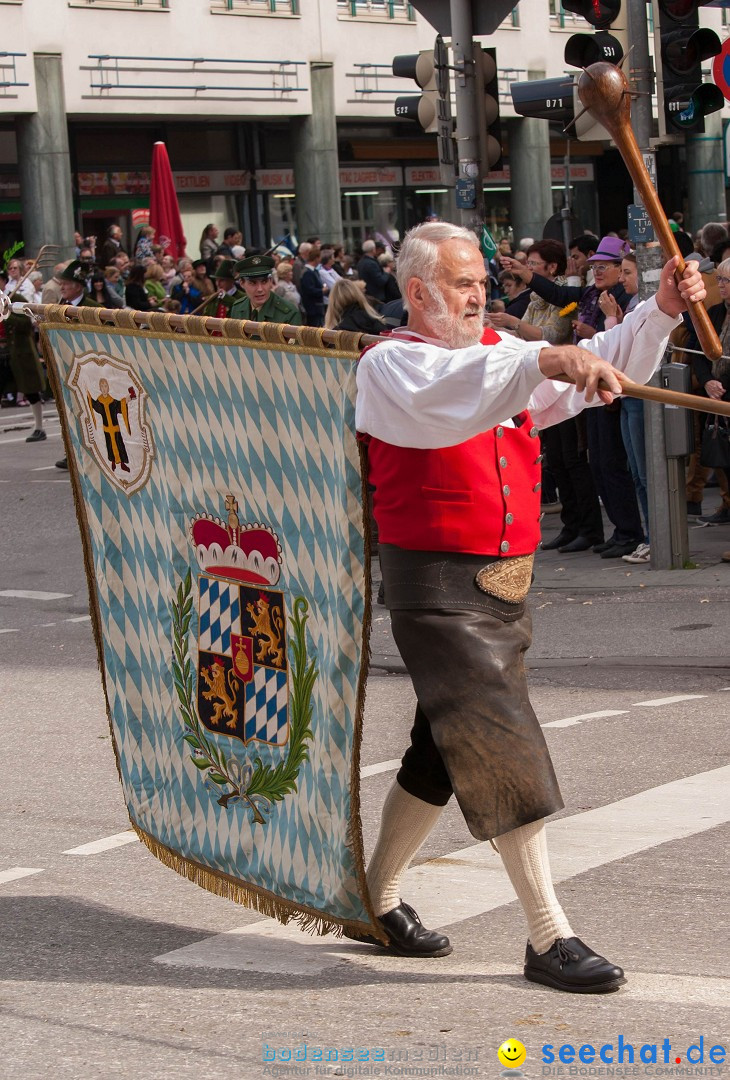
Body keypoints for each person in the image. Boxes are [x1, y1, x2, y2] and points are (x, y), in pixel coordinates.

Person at [354, 221, 704, 992]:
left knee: (441, 749)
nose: (478, 293)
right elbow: (455, 397)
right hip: (439, 585)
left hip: (504, 583)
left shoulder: (496, 362)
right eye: (460, 282)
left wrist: (664, 312)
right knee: (502, 741)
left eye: (481, 280)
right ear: (418, 292)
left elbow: (594, 372)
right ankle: (549, 935)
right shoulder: (393, 365)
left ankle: (373, 898)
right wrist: (542, 353)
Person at [488, 240, 604, 552]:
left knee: (573, 458)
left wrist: (513, 323)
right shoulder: (535, 299)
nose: (529, 271)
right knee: (556, 459)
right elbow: (527, 332)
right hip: (541, 383)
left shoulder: (566, 297)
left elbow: (552, 335)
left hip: (565, 385)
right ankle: (571, 524)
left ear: (551, 268)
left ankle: (589, 527)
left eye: (535, 265)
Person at [54, 261, 103, 471]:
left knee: (92, 411)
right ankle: (71, 452)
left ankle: (96, 450)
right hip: (65, 366)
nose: (62, 287)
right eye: (61, 284)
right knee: (69, 410)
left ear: (78, 286)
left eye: (66, 283)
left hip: (89, 368)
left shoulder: (94, 308)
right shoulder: (56, 309)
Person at [230, 255, 302, 325]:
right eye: (253, 283)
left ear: (271, 281)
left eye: (264, 282)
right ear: (242, 283)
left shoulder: (289, 313)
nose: (260, 289)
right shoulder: (237, 308)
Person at [356, 239, 392, 305]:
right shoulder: (371, 263)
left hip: (368, 295)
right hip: (376, 297)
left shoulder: (361, 262)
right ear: (373, 249)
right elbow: (380, 281)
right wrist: (386, 272)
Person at [299, 248, 326, 326]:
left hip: (318, 308)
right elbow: (309, 290)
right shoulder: (307, 273)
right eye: (320, 257)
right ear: (316, 258)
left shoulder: (314, 271)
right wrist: (322, 291)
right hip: (313, 309)